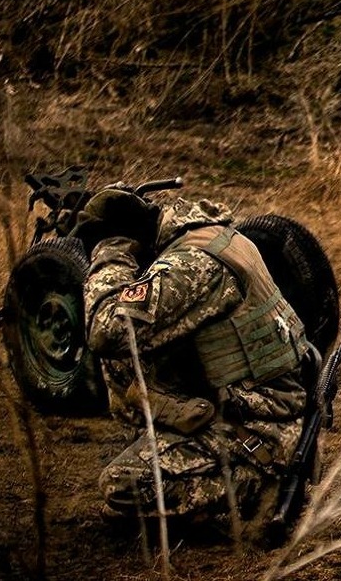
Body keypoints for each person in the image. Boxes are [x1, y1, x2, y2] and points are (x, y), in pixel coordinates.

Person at [76, 187, 311, 525]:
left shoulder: (190, 265)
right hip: (265, 406)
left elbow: (105, 331)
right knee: (135, 349)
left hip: (259, 433)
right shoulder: (210, 235)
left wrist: (110, 254)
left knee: (123, 484)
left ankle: (257, 486)